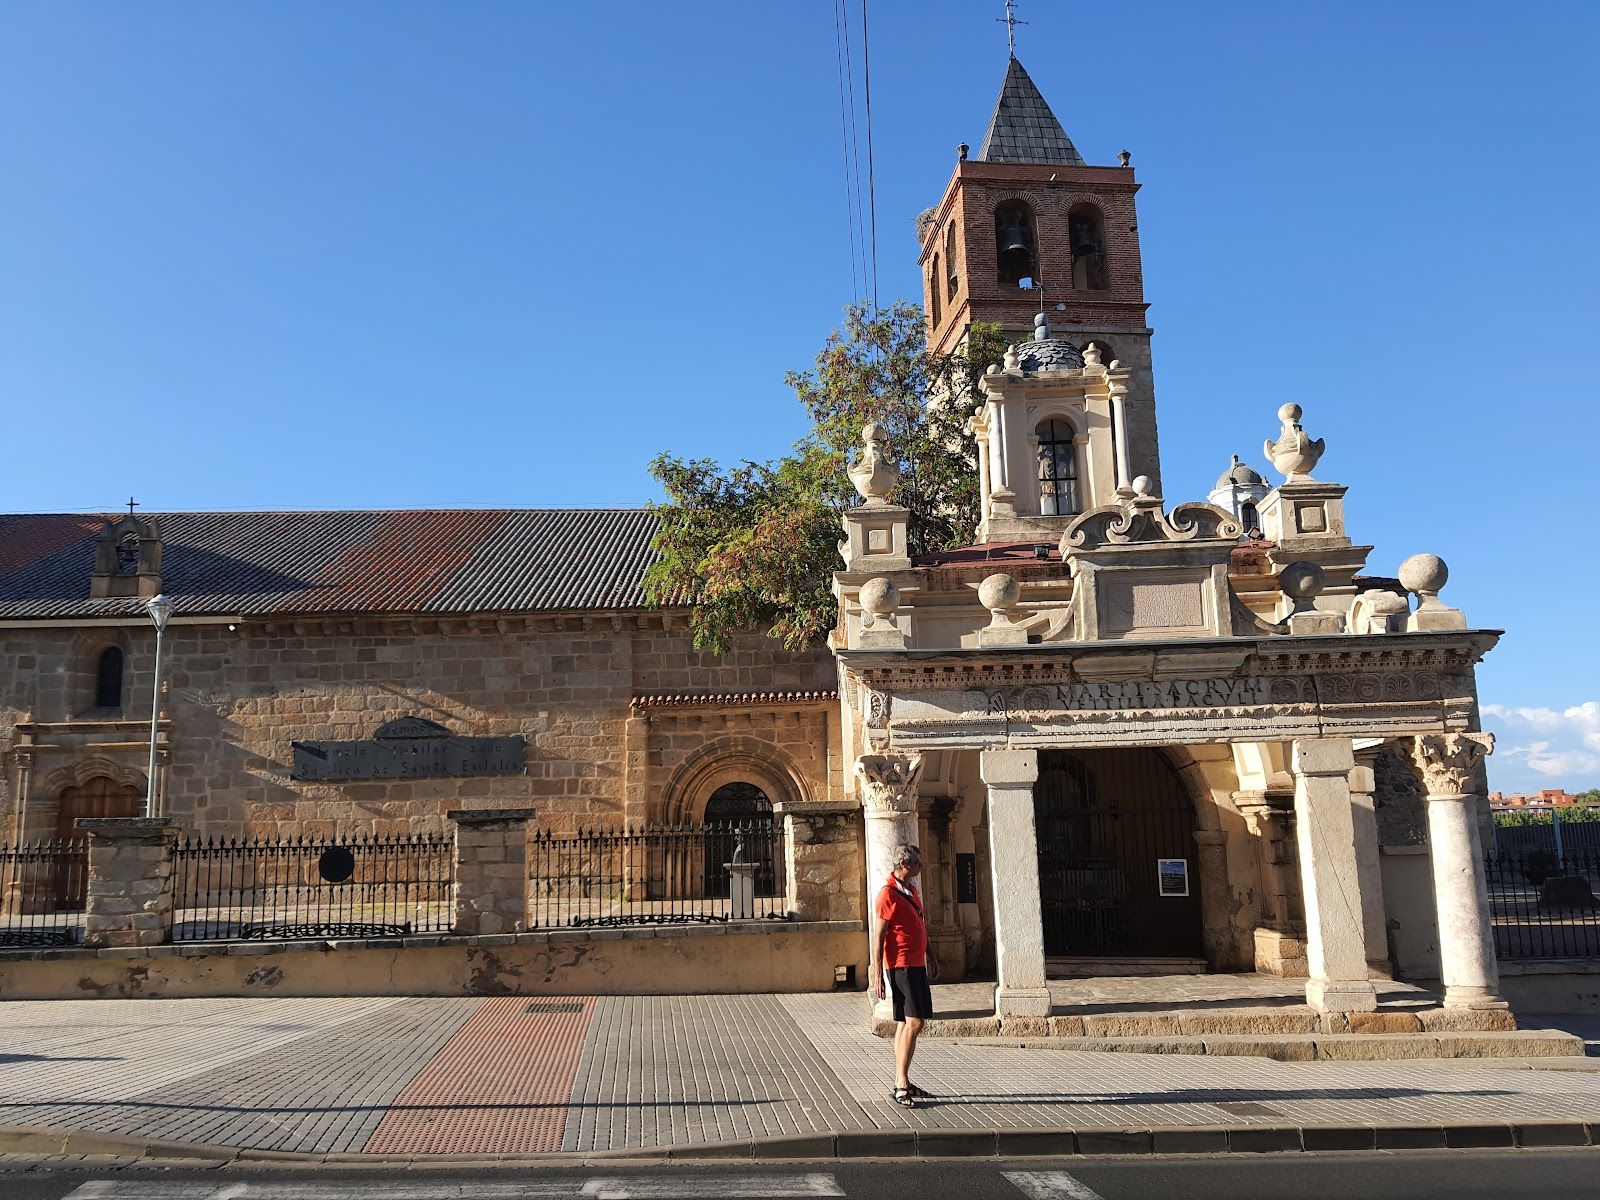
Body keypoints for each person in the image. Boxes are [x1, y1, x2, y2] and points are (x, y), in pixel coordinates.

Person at [869, 842, 937, 1108]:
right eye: (918, 863)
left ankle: (903, 1081)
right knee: (914, 1022)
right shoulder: (887, 894)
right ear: (905, 865)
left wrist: (931, 956)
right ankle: (900, 1083)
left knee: (904, 1023)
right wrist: (876, 972)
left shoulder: (911, 890)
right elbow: (879, 937)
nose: (921, 867)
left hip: (916, 964)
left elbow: (921, 924)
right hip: (901, 966)